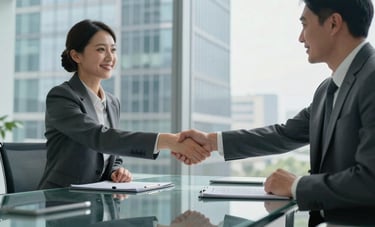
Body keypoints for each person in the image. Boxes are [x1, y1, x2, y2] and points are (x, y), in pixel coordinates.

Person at [176, 0, 375, 216]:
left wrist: (295, 185)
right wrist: (212, 141)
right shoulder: (327, 89)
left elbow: (370, 181)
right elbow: (283, 134)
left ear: (333, 24)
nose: (301, 37)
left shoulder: (371, 78)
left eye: (305, 24)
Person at [38, 19, 209, 189]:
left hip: (97, 199)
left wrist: (115, 170)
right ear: (76, 56)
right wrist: (169, 140)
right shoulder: (61, 96)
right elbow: (99, 137)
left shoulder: (112, 102)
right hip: (61, 199)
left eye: (113, 50)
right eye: (101, 49)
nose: (110, 57)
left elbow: (110, 151)